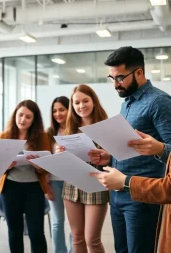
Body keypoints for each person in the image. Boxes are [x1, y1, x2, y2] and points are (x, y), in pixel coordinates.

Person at [89, 46, 171, 253]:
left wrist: (160, 148)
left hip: (142, 196)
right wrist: (109, 157)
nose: (116, 84)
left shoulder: (159, 102)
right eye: (112, 78)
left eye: (120, 78)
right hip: (118, 195)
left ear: (139, 73)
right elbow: (130, 147)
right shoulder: (127, 103)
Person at [56, 85, 109, 253]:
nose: (81, 106)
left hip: (96, 185)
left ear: (93, 101)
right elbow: (65, 163)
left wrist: (105, 155)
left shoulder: (105, 127)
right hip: (72, 186)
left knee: (92, 239)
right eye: (76, 102)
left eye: (85, 101)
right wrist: (59, 154)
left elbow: (114, 158)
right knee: (77, 238)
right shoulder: (69, 129)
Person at [0, 100, 51, 253]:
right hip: (10, 187)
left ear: (34, 119)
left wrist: (38, 165)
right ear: (15, 115)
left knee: (36, 233)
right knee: (14, 232)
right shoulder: (5, 136)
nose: (23, 120)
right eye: (20, 115)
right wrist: (5, 165)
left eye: (28, 117)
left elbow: (47, 167)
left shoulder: (42, 137)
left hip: (34, 188)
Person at [90, 153, 171, 253]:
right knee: (121, 249)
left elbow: (168, 151)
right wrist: (111, 158)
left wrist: (159, 148)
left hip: (141, 193)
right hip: (117, 193)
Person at [46, 96, 73, 253]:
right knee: (57, 221)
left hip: (73, 181)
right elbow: (44, 160)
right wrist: (46, 184)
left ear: (69, 110)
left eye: (62, 109)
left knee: (73, 223)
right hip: (54, 181)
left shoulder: (76, 130)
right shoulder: (49, 133)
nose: (58, 114)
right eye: (55, 111)